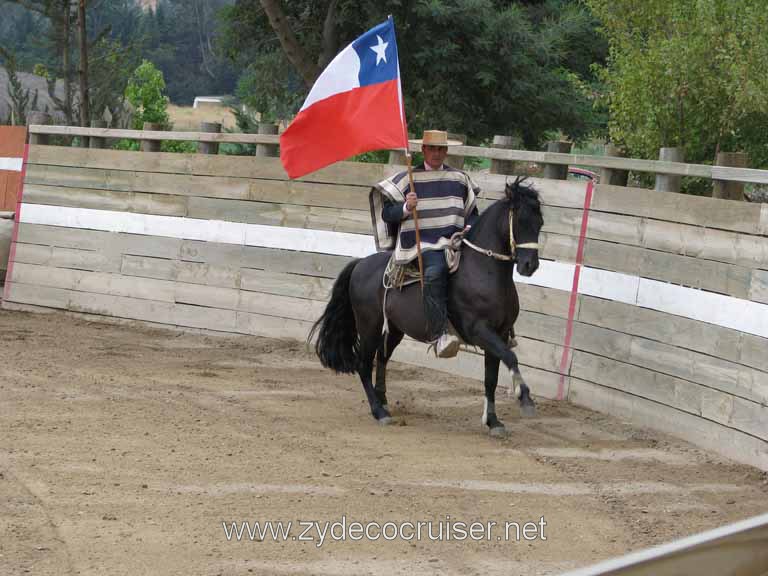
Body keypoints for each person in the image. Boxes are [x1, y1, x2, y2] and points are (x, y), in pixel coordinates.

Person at [369, 129, 480, 358]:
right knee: (435, 272)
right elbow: (387, 214)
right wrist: (406, 208)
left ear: (446, 151)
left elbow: (472, 213)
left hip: (456, 242)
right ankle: (440, 334)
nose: (437, 153)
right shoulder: (407, 179)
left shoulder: (459, 178)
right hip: (423, 245)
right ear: (423, 150)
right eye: (432, 148)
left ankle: (501, 327)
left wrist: (470, 227)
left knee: (486, 269)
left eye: (441, 149)